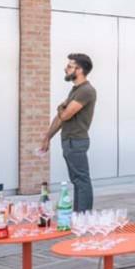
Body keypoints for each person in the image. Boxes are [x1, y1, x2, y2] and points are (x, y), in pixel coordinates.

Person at [40, 53, 96, 212]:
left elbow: (64, 115)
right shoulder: (76, 90)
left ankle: (84, 216)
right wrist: (47, 137)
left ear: (79, 70)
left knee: (82, 180)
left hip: (76, 141)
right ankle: (79, 215)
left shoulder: (86, 90)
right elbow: (61, 118)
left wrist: (61, 107)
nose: (66, 68)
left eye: (70, 66)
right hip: (70, 141)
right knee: (77, 180)